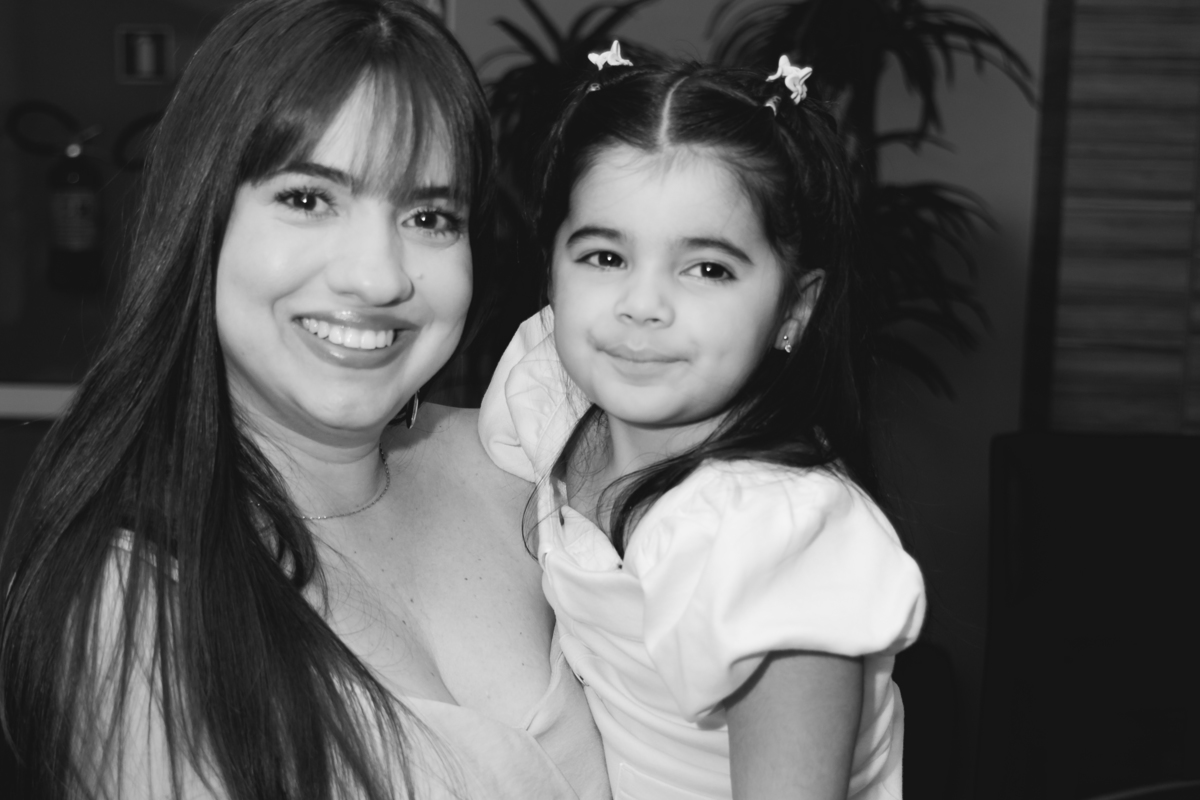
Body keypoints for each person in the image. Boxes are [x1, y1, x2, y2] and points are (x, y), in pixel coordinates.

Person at [0, 2, 609, 798]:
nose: (377, 276)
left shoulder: (527, 461)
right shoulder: (135, 599)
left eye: (429, 215)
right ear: (201, 215)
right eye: (309, 199)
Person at [479, 47, 926, 799]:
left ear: (793, 309)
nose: (642, 304)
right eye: (604, 256)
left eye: (708, 269)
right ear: (551, 264)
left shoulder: (774, 534)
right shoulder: (546, 387)